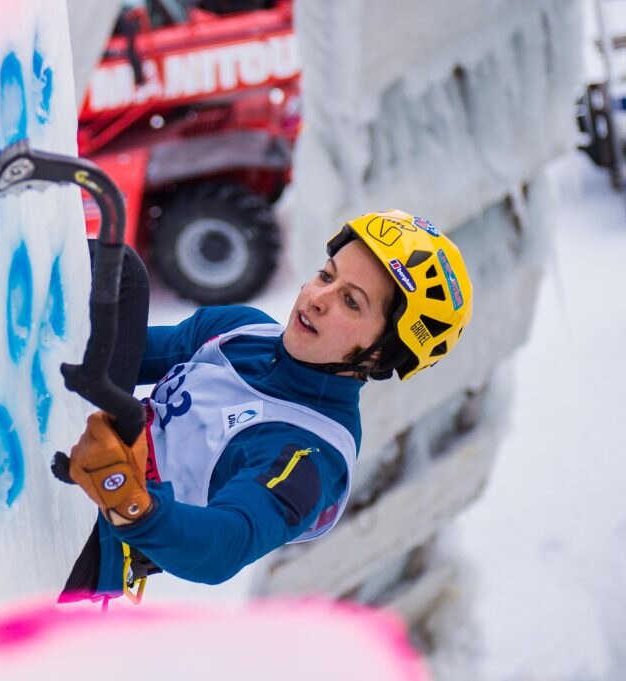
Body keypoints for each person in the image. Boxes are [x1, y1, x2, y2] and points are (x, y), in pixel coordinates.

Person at [59, 209, 473, 603]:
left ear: (379, 353)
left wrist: (130, 502)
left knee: (127, 277)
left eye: (351, 301)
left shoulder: (310, 455)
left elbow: (225, 545)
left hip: (91, 540)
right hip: (68, 450)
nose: (318, 298)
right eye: (327, 275)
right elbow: (109, 356)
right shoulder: (240, 332)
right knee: (122, 273)